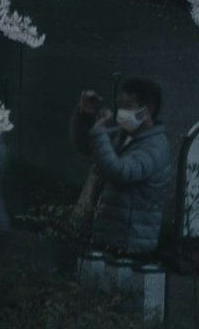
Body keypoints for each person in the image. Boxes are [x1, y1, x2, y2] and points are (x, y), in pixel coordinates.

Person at [72, 77, 173, 312]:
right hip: (108, 238)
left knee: (117, 311)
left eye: (127, 107)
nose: (121, 112)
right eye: (119, 106)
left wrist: (99, 132)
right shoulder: (124, 134)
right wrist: (85, 115)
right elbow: (84, 146)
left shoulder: (156, 147)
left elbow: (120, 171)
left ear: (146, 111)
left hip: (131, 248)